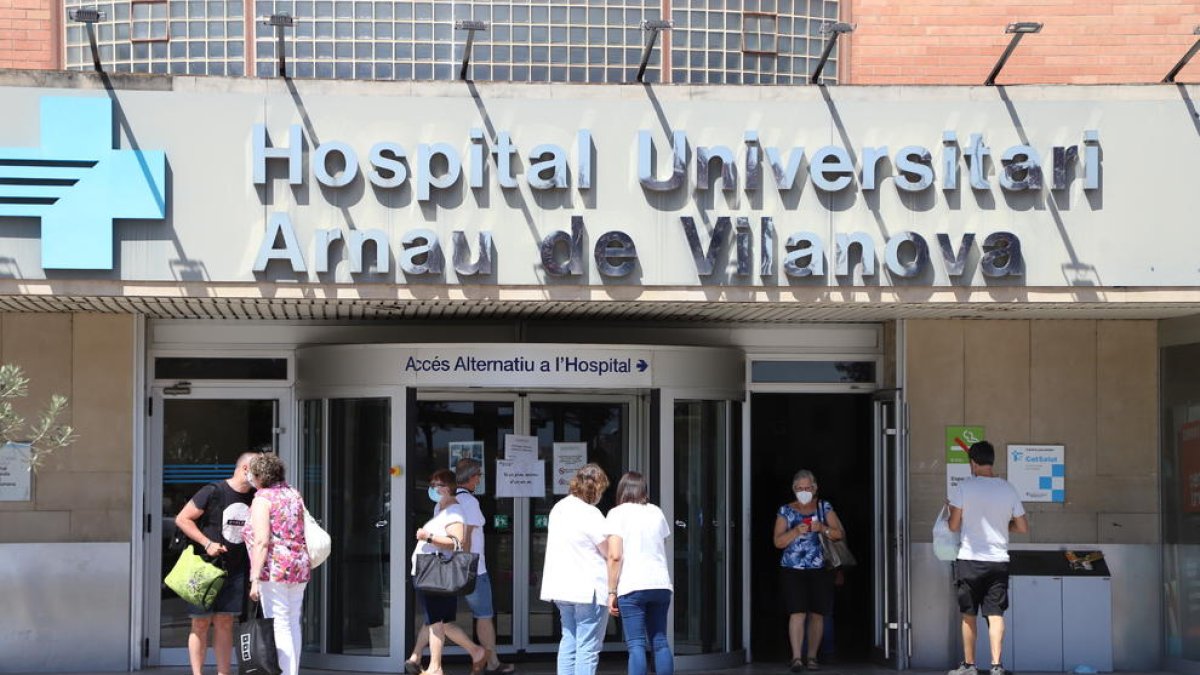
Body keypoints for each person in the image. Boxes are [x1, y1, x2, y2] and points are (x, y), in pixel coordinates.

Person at [406, 461, 514, 675]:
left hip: (456, 569)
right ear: (471, 477)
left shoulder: (451, 505)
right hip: (467, 569)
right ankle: (486, 659)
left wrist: (452, 559)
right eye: (479, 475)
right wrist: (459, 565)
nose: (480, 479)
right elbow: (463, 539)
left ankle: (423, 659)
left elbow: (460, 539)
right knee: (466, 617)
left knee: (438, 618)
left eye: (435, 485)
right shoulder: (462, 503)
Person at [947, 441, 1028, 675]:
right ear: (991, 461)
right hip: (998, 561)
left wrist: (951, 514)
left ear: (972, 463)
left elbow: (953, 526)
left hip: (969, 560)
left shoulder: (964, 488)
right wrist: (1004, 525)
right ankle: (996, 666)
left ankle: (970, 666)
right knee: (995, 615)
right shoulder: (1008, 488)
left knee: (968, 614)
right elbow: (1022, 526)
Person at [174, 451, 258, 675]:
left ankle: (224, 673)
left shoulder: (256, 497)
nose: (262, 477)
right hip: (205, 568)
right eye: (258, 470)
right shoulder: (213, 491)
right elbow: (182, 518)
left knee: (225, 623)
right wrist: (207, 542)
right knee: (200, 623)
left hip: (236, 569)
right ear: (245, 469)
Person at [410, 469, 488, 675]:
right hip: (430, 571)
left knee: (435, 622)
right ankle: (475, 651)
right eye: (432, 484)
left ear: (448, 488)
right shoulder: (441, 508)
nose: (433, 488)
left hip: (435, 573)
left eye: (437, 485)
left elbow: (456, 542)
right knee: (440, 622)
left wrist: (427, 537)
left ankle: (435, 668)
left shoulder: (454, 511)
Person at [540, 463, 611, 675]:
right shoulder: (591, 513)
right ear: (596, 489)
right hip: (587, 588)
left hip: (562, 587)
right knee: (588, 647)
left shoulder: (559, 508)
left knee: (569, 640)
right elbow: (608, 551)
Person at [244, 453, 311, 675]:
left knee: (279, 623)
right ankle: (292, 671)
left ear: (260, 476)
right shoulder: (293, 493)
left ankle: (286, 673)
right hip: (299, 565)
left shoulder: (262, 499)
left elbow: (262, 541)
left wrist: (254, 578)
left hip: (274, 568)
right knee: (292, 621)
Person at [772, 469, 845, 673]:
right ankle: (796, 657)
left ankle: (812, 657)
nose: (804, 491)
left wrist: (822, 528)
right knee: (797, 612)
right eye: (800, 488)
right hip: (792, 569)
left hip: (820, 568)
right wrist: (795, 531)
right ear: (794, 489)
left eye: (807, 488)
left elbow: (839, 534)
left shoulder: (824, 507)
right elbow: (777, 541)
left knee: (817, 614)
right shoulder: (785, 511)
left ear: (815, 488)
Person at [604, 471, 674, 675]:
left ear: (621, 490)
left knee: (636, 645)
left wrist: (611, 591)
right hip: (660, 584)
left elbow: (615, 555)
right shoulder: (656, 512)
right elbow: (662, 543)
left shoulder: (617, 514)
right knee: (660, 642)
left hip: (633, 585)